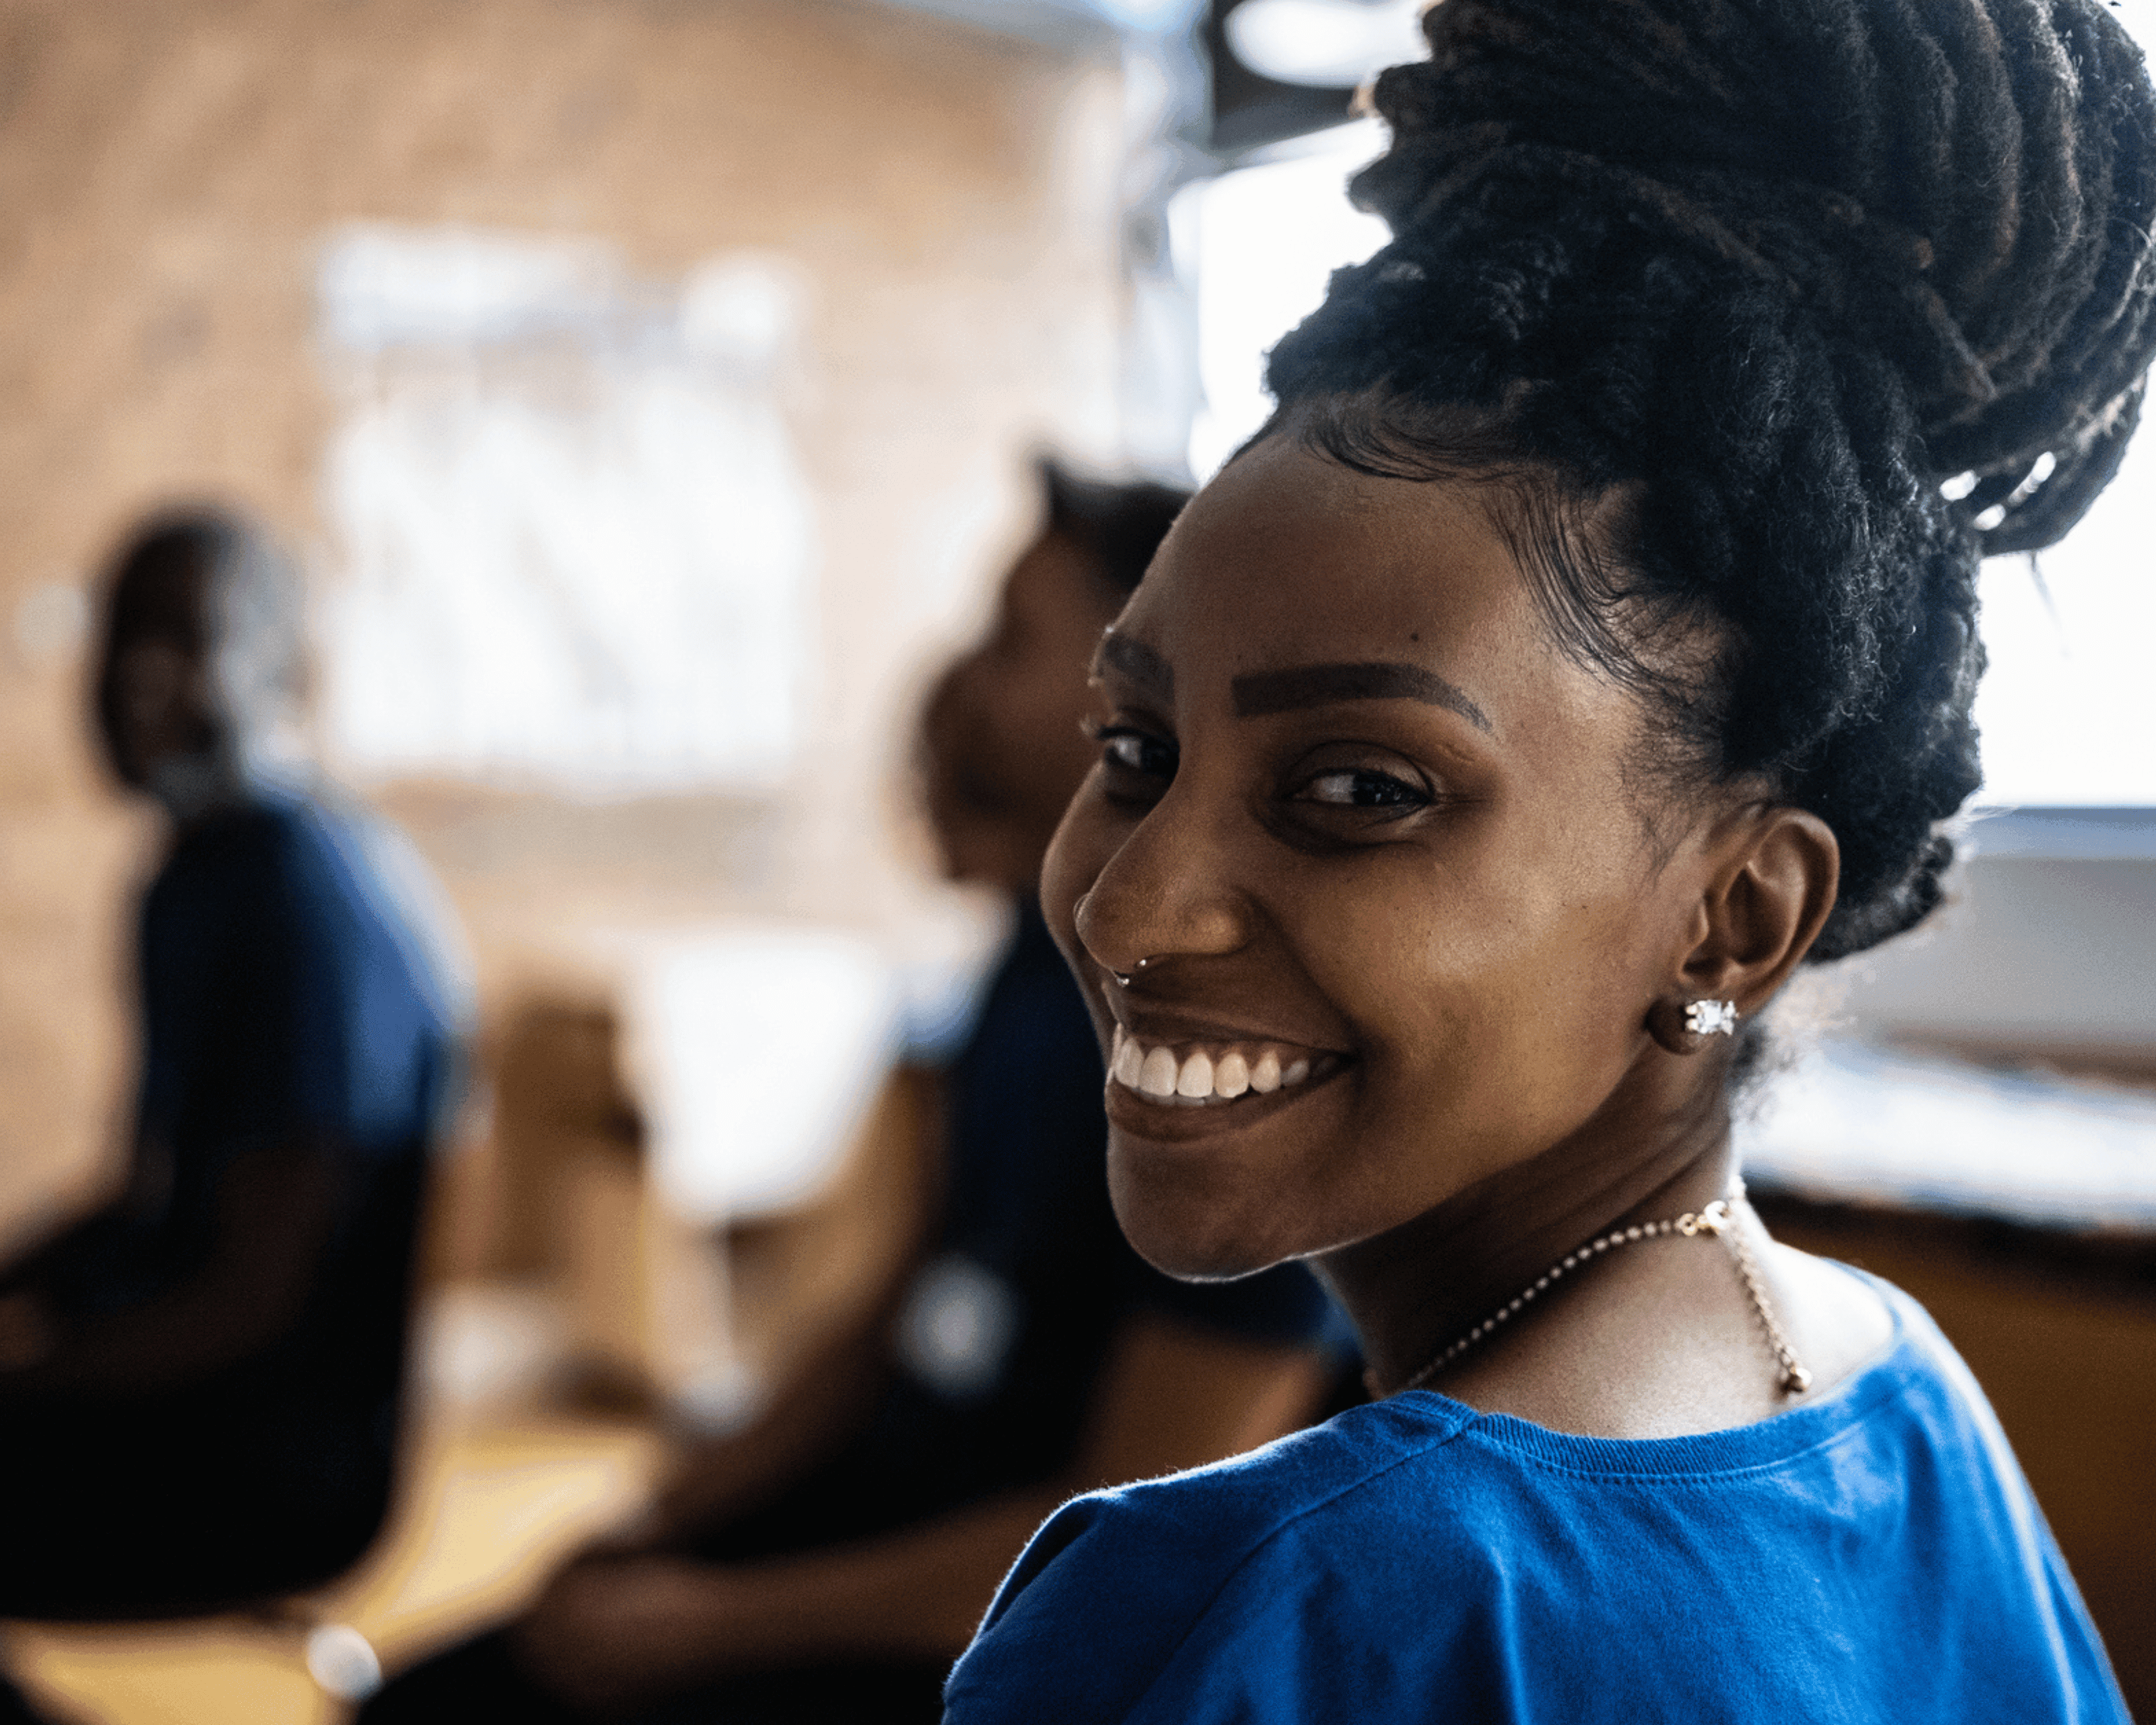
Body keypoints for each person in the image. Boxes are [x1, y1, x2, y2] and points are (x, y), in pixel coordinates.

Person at [943, 3, 2155, 1720]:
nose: (1133, 903)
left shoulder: (1278, 1607)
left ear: (1736, 918)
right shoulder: (1892, 1396)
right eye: (1134, 753)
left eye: (1362, 788)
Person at [356, 460, 1343, 1724]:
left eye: (1011, 639)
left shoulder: (1248, 1053)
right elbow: (902, 1310)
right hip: (890, 1528)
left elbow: (1138, 1539)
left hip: (1013, 1636)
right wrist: (668, 1514)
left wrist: (707, 1632)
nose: (960, 686)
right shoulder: (1031, 985)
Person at [0, 509, 465, 1620]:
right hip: (174, 1391)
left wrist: (27, 1379)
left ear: (279, 672)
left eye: (181, 644)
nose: (139, 685)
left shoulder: (308, 900)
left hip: (270, 1450)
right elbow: (154, 1197)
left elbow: (254, 1295)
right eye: (121, 646)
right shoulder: (189, 881)